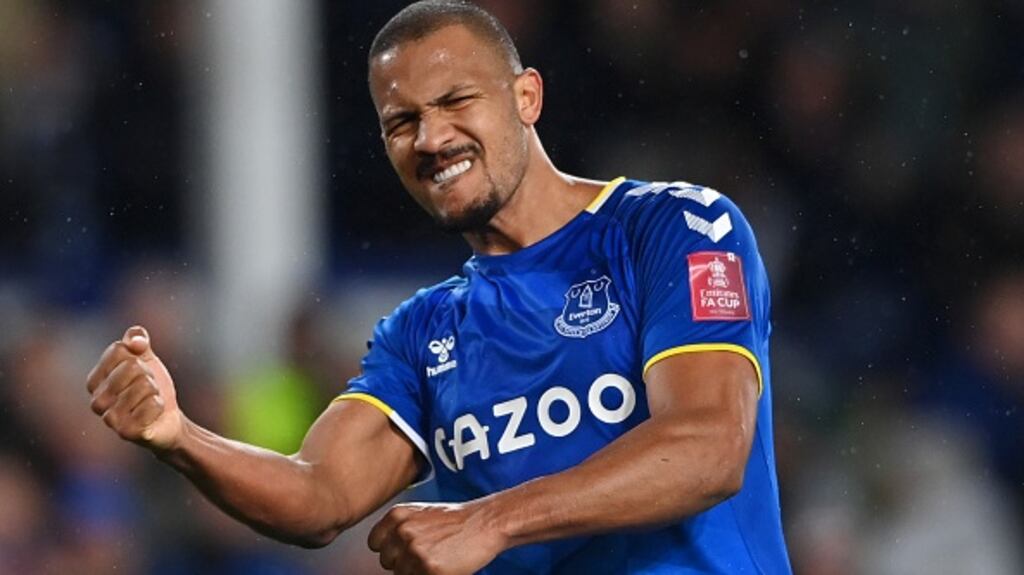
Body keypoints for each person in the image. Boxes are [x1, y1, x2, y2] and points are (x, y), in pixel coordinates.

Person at [85, 1, 792, 573]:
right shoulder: (423, 335)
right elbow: (318, 493)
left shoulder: (674, 227)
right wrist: (178, 436)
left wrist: (490, 520)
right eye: (402, 122)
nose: (430, 137)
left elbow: (709, 445)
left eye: (456, 100)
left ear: (526, 96)